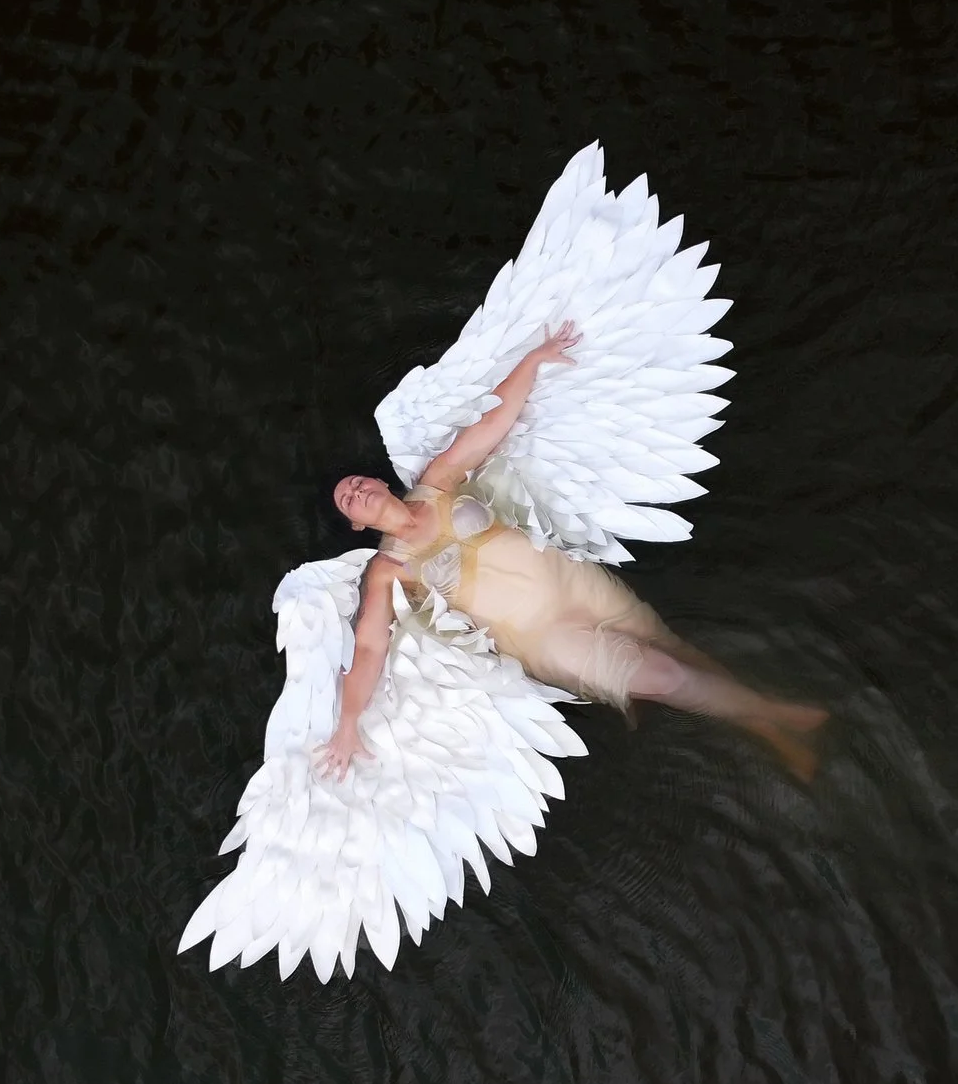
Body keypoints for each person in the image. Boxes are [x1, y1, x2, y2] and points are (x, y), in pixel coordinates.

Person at [320, 322, 829, 781]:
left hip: (574, 580)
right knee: (669, 677)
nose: (358, 489)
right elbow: (369, 649)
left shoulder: (436, 482)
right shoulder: (388, 570)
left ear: (380, 483)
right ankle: (775, 713)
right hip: (545, 638)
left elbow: (490, 428)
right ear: (356, 523)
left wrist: (534, 359)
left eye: (359, 480)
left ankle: (771, 730)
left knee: (668, 644)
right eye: (349, 497)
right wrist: (347, 724)